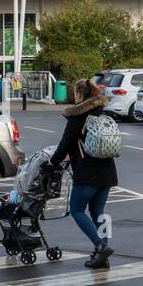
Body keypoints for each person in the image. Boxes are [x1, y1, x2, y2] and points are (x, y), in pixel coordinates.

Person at [48, 78, 118, 269]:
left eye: (75, 93)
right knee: (98, 213)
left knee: (77, 210)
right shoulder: (101, 111)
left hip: (87, 172)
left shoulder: (78, 116)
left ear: (80, 94)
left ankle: (100, 245)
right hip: (107, 171)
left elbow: (66, 143)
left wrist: (51, 162)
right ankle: (103, 255)